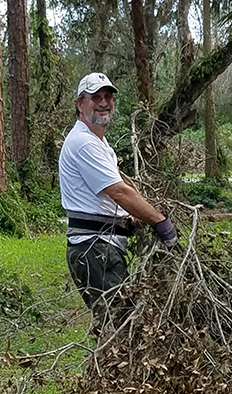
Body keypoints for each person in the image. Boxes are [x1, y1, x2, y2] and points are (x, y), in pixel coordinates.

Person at [58, 72, 177, 312]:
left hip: (103, 247)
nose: (104, 103)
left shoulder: (98, 142)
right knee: (117, 327)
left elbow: (112, 190)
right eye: (96, 97)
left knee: (118, 328)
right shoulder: (84, 143)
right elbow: (119, 192)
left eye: (108, 97)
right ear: (80, 105)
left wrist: (130, 220)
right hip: (94, 249)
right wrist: (161, 222)